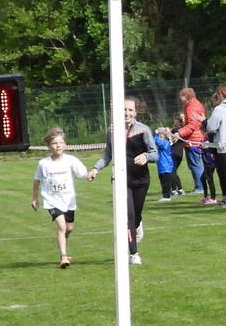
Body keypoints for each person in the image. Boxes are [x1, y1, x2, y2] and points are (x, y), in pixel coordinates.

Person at [89, 99, 154, 263]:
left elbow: (155, 153)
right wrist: (96, 169)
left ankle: (138, 225)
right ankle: (133, 253)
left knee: (136, 215)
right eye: (124, 109)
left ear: (136, 112)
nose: (127, 113)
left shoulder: (143, 130)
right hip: (121, 180)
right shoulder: (112, 131)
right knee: (128, 216)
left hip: (141, 179)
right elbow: (107, 155)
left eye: (130, 110)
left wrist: (146, 156)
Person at [30, 128, 86, 268]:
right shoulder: (44, 163)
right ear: (49, 146)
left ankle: (64, 243)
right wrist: (35, 198)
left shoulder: (71, 160)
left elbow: (82, 173)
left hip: (68, 201)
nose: (58, 145)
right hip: (52, 201)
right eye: (55, 143)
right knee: (61, 226)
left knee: (69, 228)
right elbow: (37, 180)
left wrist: (89, 175)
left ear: (65, 144)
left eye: (60, 142)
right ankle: (63, 257)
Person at [176, 87, 212, 201]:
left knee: (195, 164)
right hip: (199, 137)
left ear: (186, 96)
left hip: (193, 139)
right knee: (197, 163)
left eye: (181, 96)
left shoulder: (190, 106)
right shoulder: (197, 104)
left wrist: (179, 132)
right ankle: (200, 186)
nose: (180, 98)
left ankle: (199, 187)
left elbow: (192, 125)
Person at [153, 126, 180, 200]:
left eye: (161, 134)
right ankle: (165, 195)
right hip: (162, 165)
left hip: (165, 165)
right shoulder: (164, 142)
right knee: (162, 181)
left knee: (165, 181)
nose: (159, 136)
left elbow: (157, 142)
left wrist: (156, 134)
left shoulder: (165, 143)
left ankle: (167, 196)